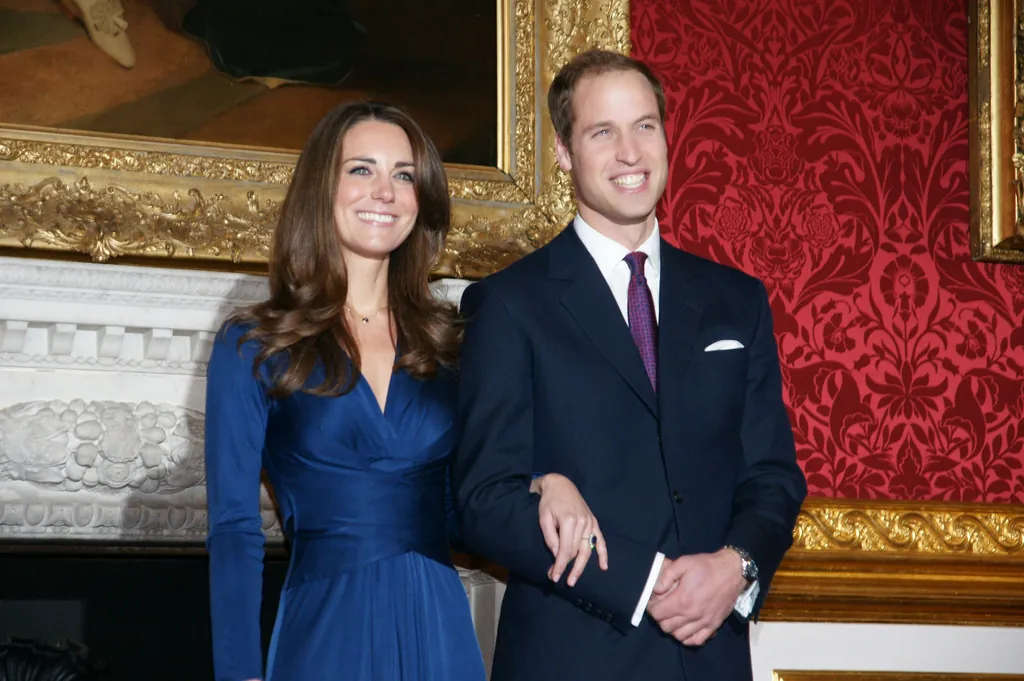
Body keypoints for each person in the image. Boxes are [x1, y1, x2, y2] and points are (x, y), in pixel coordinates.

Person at [203, 100, 601, 681]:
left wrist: (543, 482)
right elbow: (234, 530)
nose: (385, 192)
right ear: (322, 186)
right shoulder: (253, 344)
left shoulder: (450, 343)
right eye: (361, 169)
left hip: (437, 626)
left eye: (405, 175)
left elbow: (459, 511)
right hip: (326, 632)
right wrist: (238, 674)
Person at [453, 49, 808, 681]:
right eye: (602, 132)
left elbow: (772, 475)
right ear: (564, 152)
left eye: (644, 125)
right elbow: (484, 499)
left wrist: (737, 567)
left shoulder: (737, 300)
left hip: (711, 657)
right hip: (573, 657)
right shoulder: (508, 304)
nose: (630, 153)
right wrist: (643, 582)